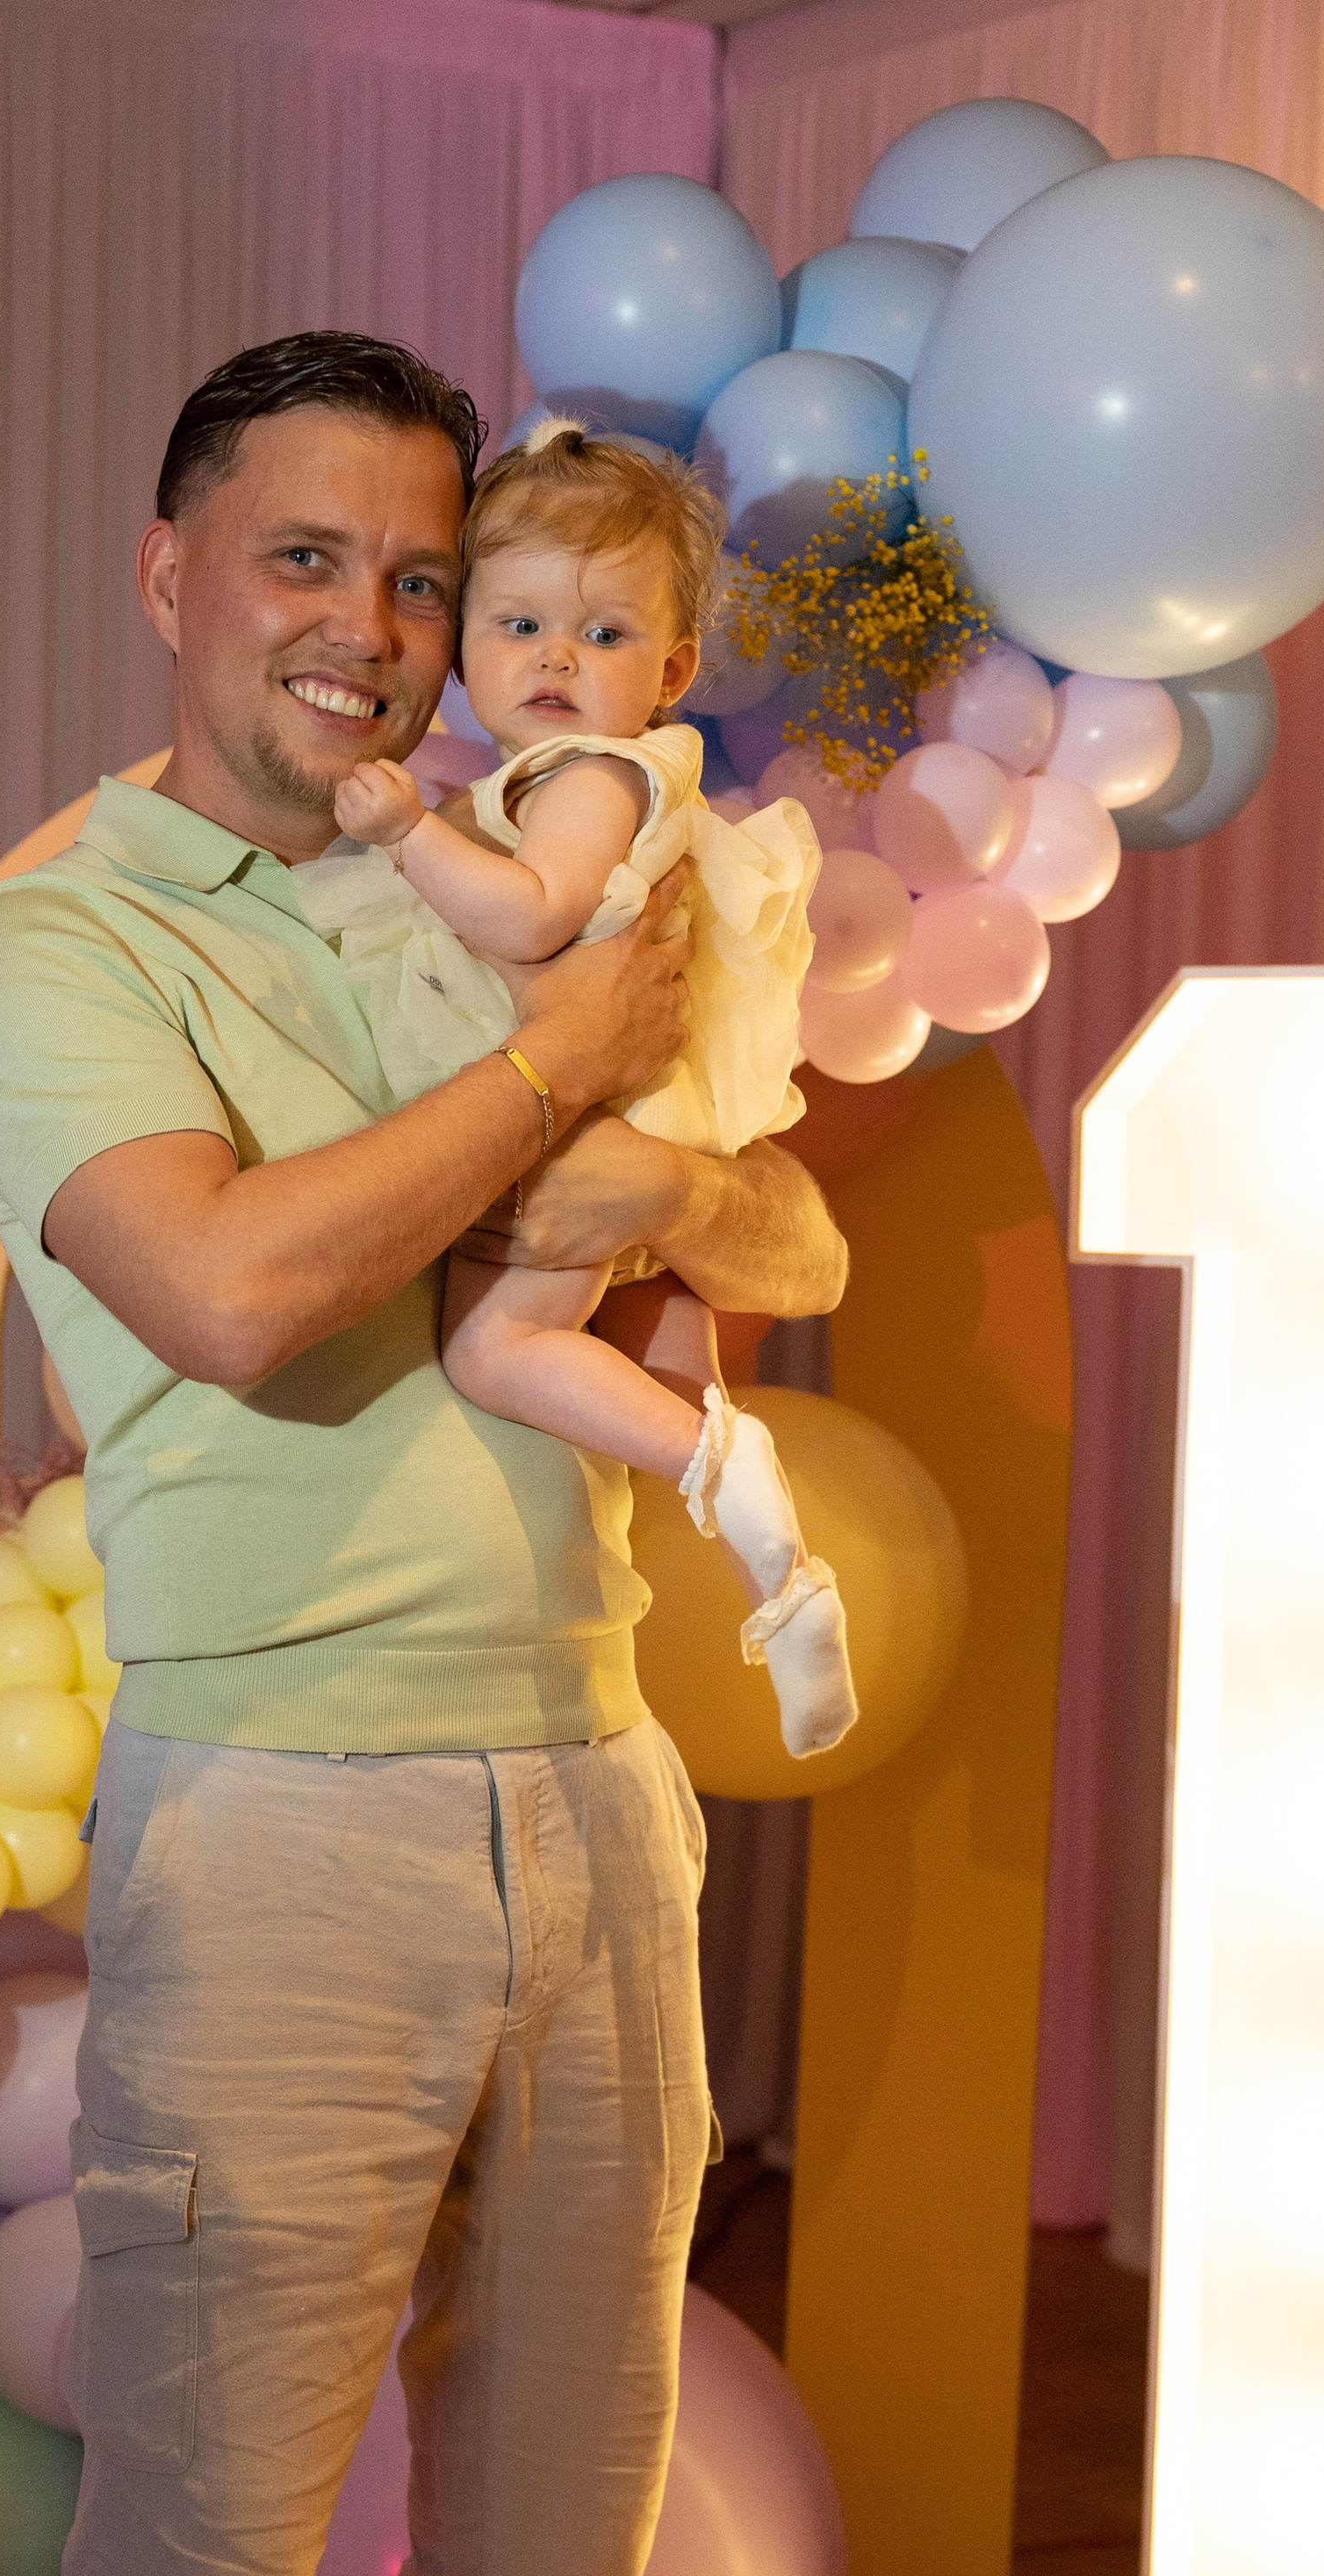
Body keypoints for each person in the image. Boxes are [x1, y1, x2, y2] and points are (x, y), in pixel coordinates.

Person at [0, 330, 849, 2576]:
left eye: (423, 578)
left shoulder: (496, 874)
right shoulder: (71, 939)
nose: (373, 631)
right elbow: (231, 1282)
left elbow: (759, 1231)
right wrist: (567, 1085)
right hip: (284, 1826)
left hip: (598, 1786)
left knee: (551, 2551)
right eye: (303, 562)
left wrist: (637, 1145)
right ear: (173, 575)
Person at [295, 416, 856, 1761]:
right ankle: (783, 1584)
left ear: (670, 670)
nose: (556, 658)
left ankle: (724, 1473)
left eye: (603, 638)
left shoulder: (584, 776)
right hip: (652, 1102)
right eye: (522, 622)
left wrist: (405, 831)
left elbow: (535, 917)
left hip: (611, 1108)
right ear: (466, 639)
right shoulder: (588, 771)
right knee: (657, 1350)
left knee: (494, 1348)